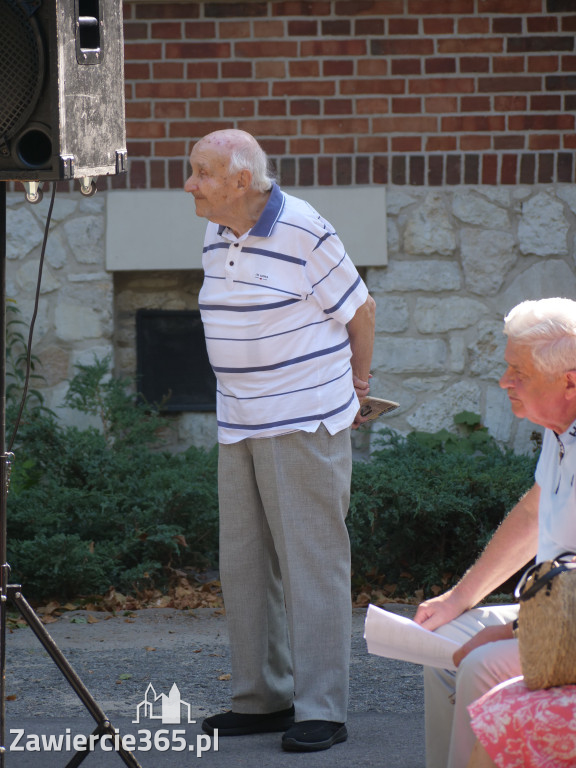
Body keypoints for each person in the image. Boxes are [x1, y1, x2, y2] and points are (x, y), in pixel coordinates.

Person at [183, 129, 376, 752]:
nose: (189, 184)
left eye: (201, 173)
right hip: (238, 420)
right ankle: (263, 697)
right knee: (244, 566)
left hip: (303, 419)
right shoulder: (217, 230)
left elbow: (360, 310)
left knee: (312, 564)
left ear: (241, 179)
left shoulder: (304, 228)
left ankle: (322, 708)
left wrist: (359, 384)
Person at [413, 297, 576, 768]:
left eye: (519, 372)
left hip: (568, 620)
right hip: (556, 609)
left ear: (569, 380)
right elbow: (532, 515)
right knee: (444, 642)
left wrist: (509, 631)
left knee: (481, 664)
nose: (505, 381)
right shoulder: (560, 427)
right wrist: (458, 600)